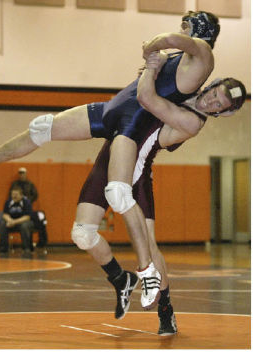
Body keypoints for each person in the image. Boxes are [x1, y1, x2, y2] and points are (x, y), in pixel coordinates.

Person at [0, 10, 221, 309]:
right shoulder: (179, 59)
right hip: (112, 111)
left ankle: (147, 272)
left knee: (118, 192)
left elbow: (162, 41)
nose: (182, 28)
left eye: (188, 25)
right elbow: (163, 55)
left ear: (200, 30)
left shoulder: (202, 54)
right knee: (42, 127)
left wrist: (153, 49)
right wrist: (157, 59)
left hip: (130, 126)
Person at [74, 51, 246, 334]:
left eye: (219, 104)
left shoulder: (192, 121)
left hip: (135, 170)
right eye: (215, 93)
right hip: (110, 158)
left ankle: (165, 308)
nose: (212, 100)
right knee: (82, 234)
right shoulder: (183, 89)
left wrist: (152, 69)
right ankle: (120, 279)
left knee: (149, 246)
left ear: (221, 112)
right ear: (211, 85)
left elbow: (147, 100)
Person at [0, 185, 34, 258]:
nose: (14, 196)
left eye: (16, 195)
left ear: (21, 195)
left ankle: (26, 248)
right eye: (13, 194)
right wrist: (9, 221)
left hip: (24, 222)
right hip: (12, 222)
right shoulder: (8, 202)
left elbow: (27, 217)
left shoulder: (26, 202)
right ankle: (3, 248)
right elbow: (5, 214)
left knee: (24, 226)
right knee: (2, 224)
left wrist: (14, 222)